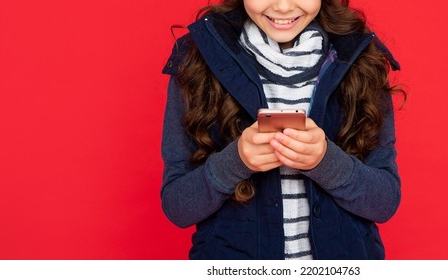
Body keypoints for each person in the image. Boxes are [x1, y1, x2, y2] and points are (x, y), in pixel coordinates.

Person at [160, 0, 402, 260]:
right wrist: (236, 161)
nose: (284, 7)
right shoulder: (197, 59)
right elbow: (177, 206)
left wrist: (325, 162)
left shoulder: (362, 58)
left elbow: (385, 202)